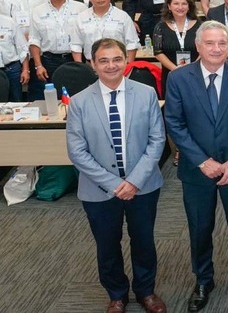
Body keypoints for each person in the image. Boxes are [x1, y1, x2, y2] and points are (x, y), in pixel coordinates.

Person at [164, 20, 228, 312]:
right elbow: (175, 123)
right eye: (210, 43)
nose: (217, 49)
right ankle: (203, 279)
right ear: (198, 45)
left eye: (222, 43)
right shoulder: (179, 78)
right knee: (200, 227)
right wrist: (202, 161)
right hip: (197, 171)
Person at [66, 38, 166, 313]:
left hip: (143, 186)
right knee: (107, 245)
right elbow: (77, 151)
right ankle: (117, 294)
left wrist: (133, 181)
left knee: (143, 241)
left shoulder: (146, 94)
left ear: (126, 61)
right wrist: (114, 184)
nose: (111, 65)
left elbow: (157, 140)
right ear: (93, 64)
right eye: (104, 60)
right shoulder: (79, 102)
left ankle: (146, 291)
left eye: (117, 59)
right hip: (98, 190)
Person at [29, 0, 88, 99]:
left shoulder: (80, 8)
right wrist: (38, 65)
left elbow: (86, 35)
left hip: (74, 58)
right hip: (49, 60)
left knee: (78, 94)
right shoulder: (37, 11)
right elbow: (34, 40)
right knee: (53, 97)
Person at [0, 0, 47, 100]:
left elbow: (46, 12)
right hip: (11, 47)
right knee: (16, 88)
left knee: (39, 87)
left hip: (38, 44)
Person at [70, 0, 139, 62]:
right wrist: (80, 66)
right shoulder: (81, 17)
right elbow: (76, 45)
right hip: (90, 64)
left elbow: (132, 43)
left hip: (117, 64)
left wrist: (128, 66)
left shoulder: (123, 16)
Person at [152, 0, 200, 92]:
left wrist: (193, 68)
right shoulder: (160, 27)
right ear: (169, 6)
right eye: (176, 4)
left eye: (184, 4)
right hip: (170, 75)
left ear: (189, 6)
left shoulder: (200, 26)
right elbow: (158, 52)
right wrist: (176, 70)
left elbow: (205, 48)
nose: (180, 7)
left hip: (196, 74)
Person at [0, 10, 28, 102]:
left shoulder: (9, 22)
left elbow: (23, 48)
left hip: (11, 70)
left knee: (16, 103)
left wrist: (25, 70)